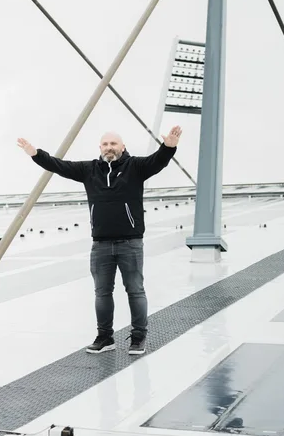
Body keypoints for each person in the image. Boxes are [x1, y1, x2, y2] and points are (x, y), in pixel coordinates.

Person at [17, 127, 182, 356]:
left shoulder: (135, 167)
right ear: (100, 148)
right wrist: (35, 154)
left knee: (135, 291)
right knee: (102, 293)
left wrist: (168, 147)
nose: (109, 148)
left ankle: (138, 337)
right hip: (100, 245)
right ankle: (105, 337)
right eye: (105, 144)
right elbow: (58, 166)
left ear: (122, 147)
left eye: (114, 144)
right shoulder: (88, 170)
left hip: (130, 242)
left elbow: (157, 161)